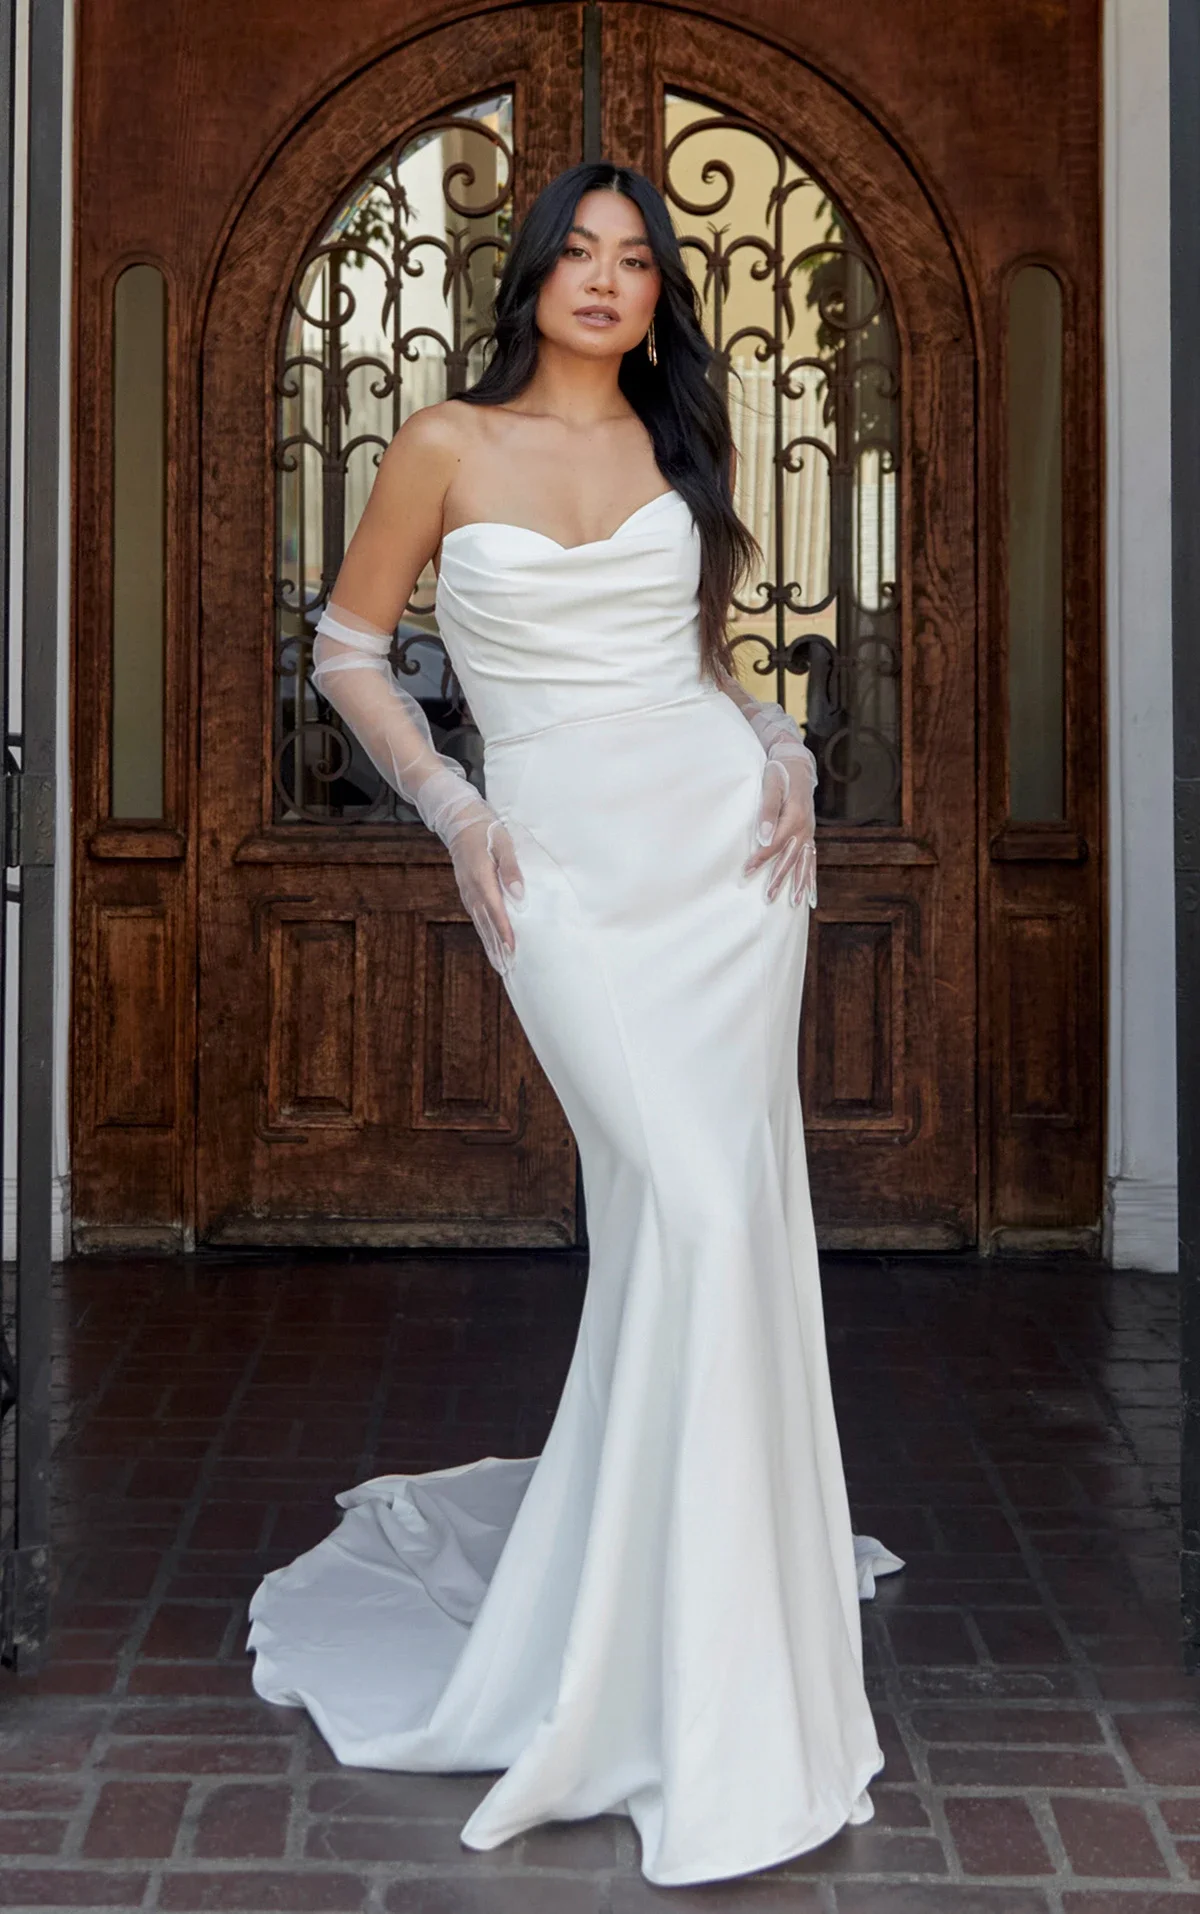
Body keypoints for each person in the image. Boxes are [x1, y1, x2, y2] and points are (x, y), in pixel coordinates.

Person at [247, 160, 903, 1888]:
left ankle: (712, 1635)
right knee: (681, 1207)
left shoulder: (682, 446)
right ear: (534, 276)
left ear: (656, 294)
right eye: (580, 255)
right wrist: (456, 811)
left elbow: (699, 665)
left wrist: (781, 737)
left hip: (726, 860)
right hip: (562, 876)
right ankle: (636, 1631)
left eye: (637, 260)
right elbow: (346, 649)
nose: (607, 282)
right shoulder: (446, 443)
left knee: (714, 1222)